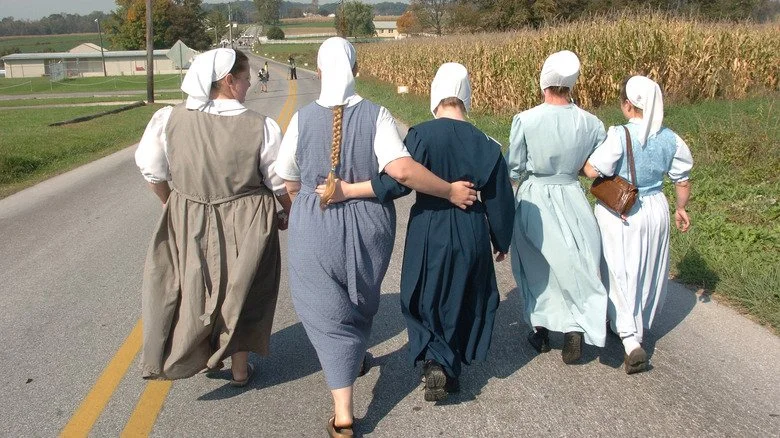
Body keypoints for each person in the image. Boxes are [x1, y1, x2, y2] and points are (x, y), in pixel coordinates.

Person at [275, 38, 476, 437]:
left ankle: (344, 413)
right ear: (356, 70)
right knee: (358, 299)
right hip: (369, 229)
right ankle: (353, 363)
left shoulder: (300, 119)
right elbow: (401, 171)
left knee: (326, 314)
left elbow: (288, 178)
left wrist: (306, 209)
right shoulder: (377, 115)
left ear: (318, 71)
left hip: (315, 224)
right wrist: (451, 190)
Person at [334, 63, 515, 401]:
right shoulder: (488, 144)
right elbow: (501, 200)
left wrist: (350, 190)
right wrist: (501, 239)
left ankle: (435, 358)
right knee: (463, 295)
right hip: (471, 226)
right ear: (466, 97)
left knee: (424, 294)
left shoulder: (420, 134)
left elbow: (396, 182)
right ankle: (448, 364)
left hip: (429, 226)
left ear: (436, 95)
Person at [135, 48, 292, 385]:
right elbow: (279, 182)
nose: (249, 85)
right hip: (248, 217)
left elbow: (152, 171)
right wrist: (288, 213)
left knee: (194, 285)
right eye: (246, 79)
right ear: (228, 80)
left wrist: (172, 205)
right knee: (243, 289)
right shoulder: (260, 126)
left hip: (189, 214)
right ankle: (238, 368)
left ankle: (200, 354)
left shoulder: (169, 118)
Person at [583, 75, 693, 374]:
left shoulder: (620, 135)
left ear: (628, 105)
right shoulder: (672, 138)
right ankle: (638, 323)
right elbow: (682, 179)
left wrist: (582, 162)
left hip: (622, 209)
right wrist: (681, 208)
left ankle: (629, 338)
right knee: (649, 268)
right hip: (656, 205)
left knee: (620, 269)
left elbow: (593, 170)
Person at [506, 50, 609, 364]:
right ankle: (575, 325)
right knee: (576, 259)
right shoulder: (591, 123)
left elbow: (514, 167)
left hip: (536, 194)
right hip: (572, 193)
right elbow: (595, 165)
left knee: (536, 264)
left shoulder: (527, 119)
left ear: (544, 83)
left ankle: (541, 328)